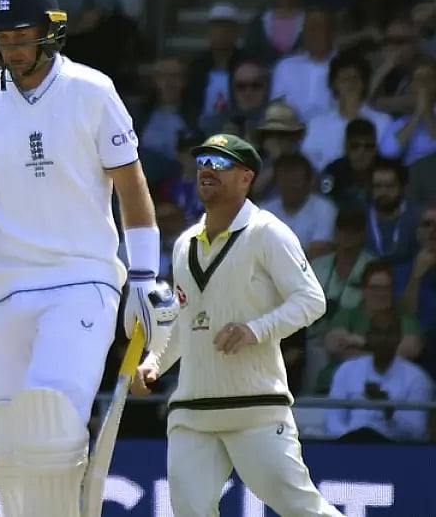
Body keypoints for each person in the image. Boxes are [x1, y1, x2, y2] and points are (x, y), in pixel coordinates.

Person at [0, 0, 179, 516]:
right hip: (5, 287)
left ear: (51, 32)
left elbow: (131, 186)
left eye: (21, 35)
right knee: (9, 447)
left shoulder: (92, 90)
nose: (11, 48)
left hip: (83, 281)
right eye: (2, 37)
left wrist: (145, 278)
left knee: (49, 425)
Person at [133, 133, 342, 517]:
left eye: (220, 162)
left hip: (256, 407)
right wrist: (154, 363)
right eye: (202, 162)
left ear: (247, 177)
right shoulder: (185, 244)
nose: (207, 169)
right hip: (192, 410)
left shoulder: (267, 232)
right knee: (191, 512)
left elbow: (312, 301)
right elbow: (185, 321)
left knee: (302, 509)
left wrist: (255, 329)